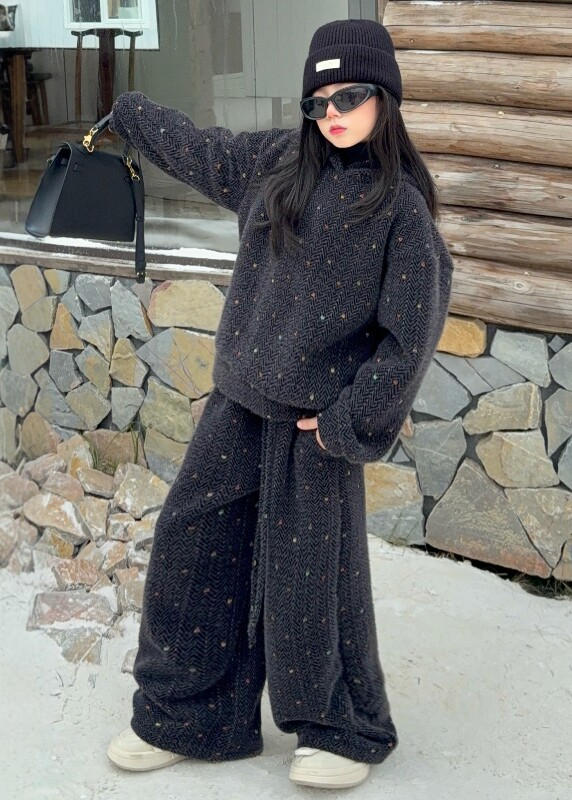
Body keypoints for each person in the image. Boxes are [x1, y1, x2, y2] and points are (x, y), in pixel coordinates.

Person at [104, 18, 454, 791]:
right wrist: (133, 112)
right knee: (191, 545)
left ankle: (342, 728)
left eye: (351, 96)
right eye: (318, 101)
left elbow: (409, 340)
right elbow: (198, 148)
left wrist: (347, 424)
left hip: (313, 427)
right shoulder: (275, 166)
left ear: (385, 97)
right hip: (238, 403)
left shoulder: (401, 212)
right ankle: (188, 715)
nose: (333, 113)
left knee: (310, 579)